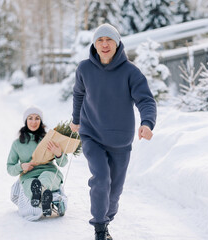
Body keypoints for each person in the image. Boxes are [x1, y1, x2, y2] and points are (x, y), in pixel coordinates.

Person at [70, 23, 157, 240]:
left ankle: (106, 220)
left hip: (120, 141)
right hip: (92, 135)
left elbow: (145, 100)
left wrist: (147, 123)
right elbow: (79, 94)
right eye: (100, 40)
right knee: (101, 178)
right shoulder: (84, 69)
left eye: (109, 40)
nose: (105, 44)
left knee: (114, 192)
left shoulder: (130, 71)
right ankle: (100, 229)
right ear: (94, 44)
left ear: (117, 43)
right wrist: (76, 119)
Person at [7, 106, 68, 220]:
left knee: (44, 178)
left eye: (37, 118)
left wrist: (58, 153)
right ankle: (43, 200)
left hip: (50, 172)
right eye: (30, 118)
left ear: (41, 121)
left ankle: (44, 197)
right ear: (26, 121)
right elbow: (10, 168)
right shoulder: (17, 144)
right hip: (28, 175)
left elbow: (63, 163)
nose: (34, 122)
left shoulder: (49, 139)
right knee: (32, 184)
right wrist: (21, 166)